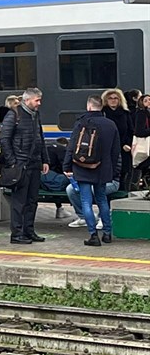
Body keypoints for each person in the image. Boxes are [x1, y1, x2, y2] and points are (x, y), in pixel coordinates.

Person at [63, 95, 121, 246]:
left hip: (82, 167)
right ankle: (107, 234)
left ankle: (93, 235)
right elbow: (116, 151)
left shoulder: (81, 122)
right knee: (102, 200)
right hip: (103, 168)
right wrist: (112, 168)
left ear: (89, 106)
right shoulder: (111, 124)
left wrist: (67, 166)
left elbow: (72, 146)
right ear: (101, 106)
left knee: (86, 201)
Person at [0, 88, 50, 245]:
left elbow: (40, 137)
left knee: (32, 199)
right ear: (27, 100)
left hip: (34, 163)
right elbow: (5, 139)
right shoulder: (14, 115)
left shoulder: (35, 115)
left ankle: (29, 230)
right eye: (37, 100)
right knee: (19, 200)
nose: (39, 103)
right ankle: (17, 233)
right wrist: (13, 161)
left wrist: (44, 160)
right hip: (21, 164)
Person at [102, 88, 133, 192]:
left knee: (124, 174)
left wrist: (127, 143)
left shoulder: (125, 114)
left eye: (116, 98)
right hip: (107, 150)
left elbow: (131, 131)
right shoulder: (103, 113)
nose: (113, 100)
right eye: (110, 98)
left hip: (123, 149)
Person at [43, 136, 74, 220]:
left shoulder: (46, 147)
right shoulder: (62, 150)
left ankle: (59, 208)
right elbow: (65, 168)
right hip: (54, 183)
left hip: (43, 181)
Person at [132, 94, 150, 191]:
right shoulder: (141, 113)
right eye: (146, 100)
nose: (148, 102)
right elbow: (139, 131)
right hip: (145, 144)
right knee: (143, 164)